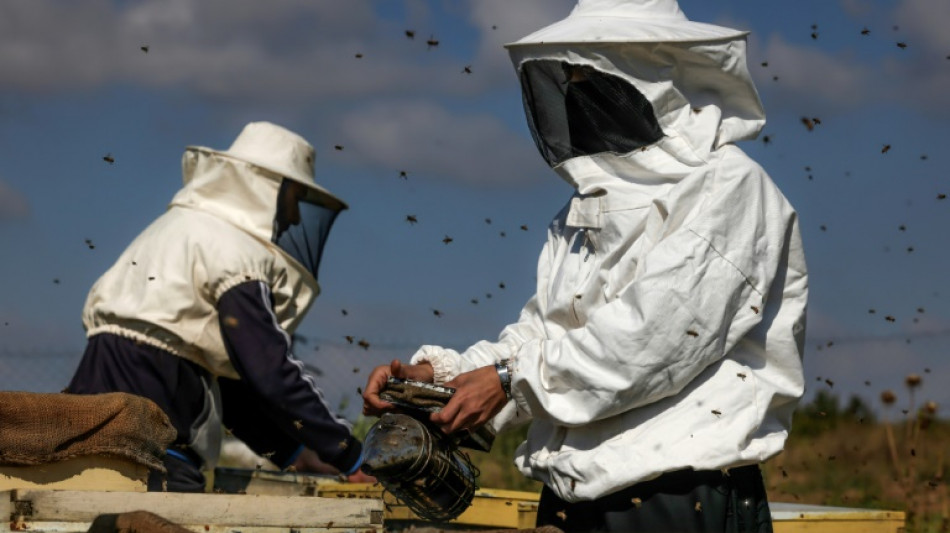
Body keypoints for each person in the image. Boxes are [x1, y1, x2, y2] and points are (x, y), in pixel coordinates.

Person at [363, 0, 806, 531]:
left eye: (586, 77)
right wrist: (442, 378)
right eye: (562, 81)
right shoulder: (584, 207)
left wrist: (507, 381)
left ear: (645, 73)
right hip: (573, 493)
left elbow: (648, 341)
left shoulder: (728, 188)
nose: (574, 98)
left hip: (677, 497)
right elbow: (546, 334)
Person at [68, 121, 370, 492]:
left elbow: (229, 384)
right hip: (156, 439)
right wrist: (349, 453)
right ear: (270, 189)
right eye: (294, 199)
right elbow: (270, 371)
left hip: (85, 420)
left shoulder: (174, 230)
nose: (293, 218)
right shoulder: (233, 253)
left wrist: (293, 452)